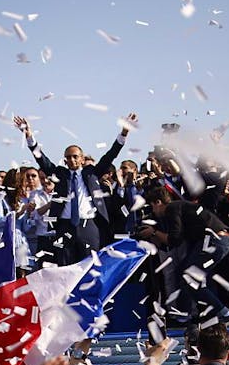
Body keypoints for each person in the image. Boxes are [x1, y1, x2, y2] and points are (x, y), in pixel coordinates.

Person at [13, 112, 137, 266]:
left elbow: (111, 155)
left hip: (89, 226)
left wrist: (124, 133)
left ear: (82, 158)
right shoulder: (60, 174)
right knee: (66, 267)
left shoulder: (92, 172)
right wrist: (29, 137)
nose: (71, 160)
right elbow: (41, 159)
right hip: (65, 227)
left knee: (90, 266)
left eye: (75, 156)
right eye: (68, 157)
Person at [138, 187, 229, 323]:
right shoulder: (180, 207)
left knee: (188, 276)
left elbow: (174, 239)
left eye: (153, 207)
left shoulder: (172, 208)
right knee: (186, 274)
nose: (153, 211)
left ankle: (220, 312)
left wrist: (154, 232)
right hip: (214, 240)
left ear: (158, 202)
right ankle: (195, 314)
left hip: (213, 240)